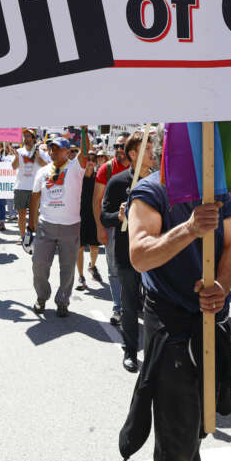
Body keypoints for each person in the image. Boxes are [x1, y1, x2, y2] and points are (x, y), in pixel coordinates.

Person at [122, 164, 231, 461]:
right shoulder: (150, 192)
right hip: (172, 331)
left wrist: (222, 284)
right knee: (177, 446)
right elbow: (140, 256)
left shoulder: (215, 189)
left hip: (211, 323)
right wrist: (189, 229)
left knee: (197, 426)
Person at [100, 130, 157, 372]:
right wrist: (118, 215)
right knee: (130, 305)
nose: (153, 156)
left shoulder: (158, 181)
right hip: (127, 253)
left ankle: (157, 354)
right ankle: (131, 351)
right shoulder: (118, 182)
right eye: (149, 151)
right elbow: (104, 216)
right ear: (133, 154)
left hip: (155, 252)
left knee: (156, 305)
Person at [28, 135, 90, 317]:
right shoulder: (42, 171)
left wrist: (85, 130)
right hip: (46, 225)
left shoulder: (75, 167)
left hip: (70, 226)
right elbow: (34, 197)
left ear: (67, 151)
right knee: (39, 265)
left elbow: (85, 153)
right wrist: (31, 225)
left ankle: (62, 301)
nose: (53, 152)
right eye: (50, 149)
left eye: (57, 148)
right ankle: (42, 296)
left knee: (68, 267)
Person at [93, 140, 131, 318]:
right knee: (114, 268)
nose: (118, 150)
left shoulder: (141, 169)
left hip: (136, 228)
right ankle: (118, 307)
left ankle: (132, 303)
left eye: (122, 146)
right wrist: (100, 228)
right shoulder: (106, 169)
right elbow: (96, 200)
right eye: (115, 146)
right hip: (111, 227)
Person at [13, 129, 49, 250]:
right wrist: (16, 158)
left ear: (34, 139)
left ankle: (35, 236)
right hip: (21, 186)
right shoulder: (19, 151)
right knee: (21, 214)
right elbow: (14, 167)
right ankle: (23, 237)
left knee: (36, 214)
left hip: (36, 188)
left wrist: (39, 158)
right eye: (24, 136)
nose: (26, 138)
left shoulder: (41, 152)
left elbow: (48, 167)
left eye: (28, 136)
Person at [77, 154, 103, 291]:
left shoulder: (99, 176)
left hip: (94, 215)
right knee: (79, 247)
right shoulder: (78, 177)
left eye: (93, 160)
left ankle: (92, 267)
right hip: (79, 215)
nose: (91, 162)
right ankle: (80, 276)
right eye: (88, 160)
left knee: (94, 246)